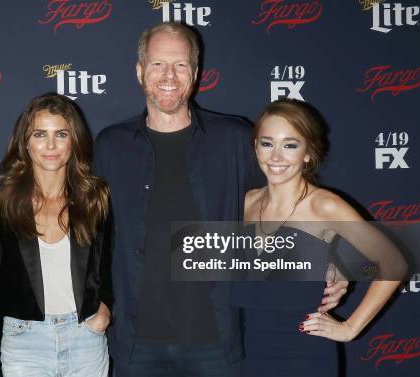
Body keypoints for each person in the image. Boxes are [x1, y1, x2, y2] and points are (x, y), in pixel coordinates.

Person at [93, 22, 349, 376]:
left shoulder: (233, 139)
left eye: (180, 65)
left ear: (195, 74)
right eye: (157, 64)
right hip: (135, 344)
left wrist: (332, 261)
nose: (169, 75)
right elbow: (87, 234)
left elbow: (284, 206)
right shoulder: (109, 146)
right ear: (140, 71)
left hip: (216, 343)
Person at [232, 98, 406, 376]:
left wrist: (350, 328)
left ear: (308, 153)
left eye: (290, 145)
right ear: (255, 148)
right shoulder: (244, 203)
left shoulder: (324, 206)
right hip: (244, 357)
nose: (276, 157)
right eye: (267, 143)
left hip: (303, 358)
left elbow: (394, 263)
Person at [0, 93, 113, 377]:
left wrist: (105, 310)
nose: (50, 145)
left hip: (85, 339)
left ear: (73, 141)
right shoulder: (1, 202)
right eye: (40, 134)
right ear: (25, 142)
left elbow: (111, 265)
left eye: (61, 134)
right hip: (24, 342)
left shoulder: (94, 199)